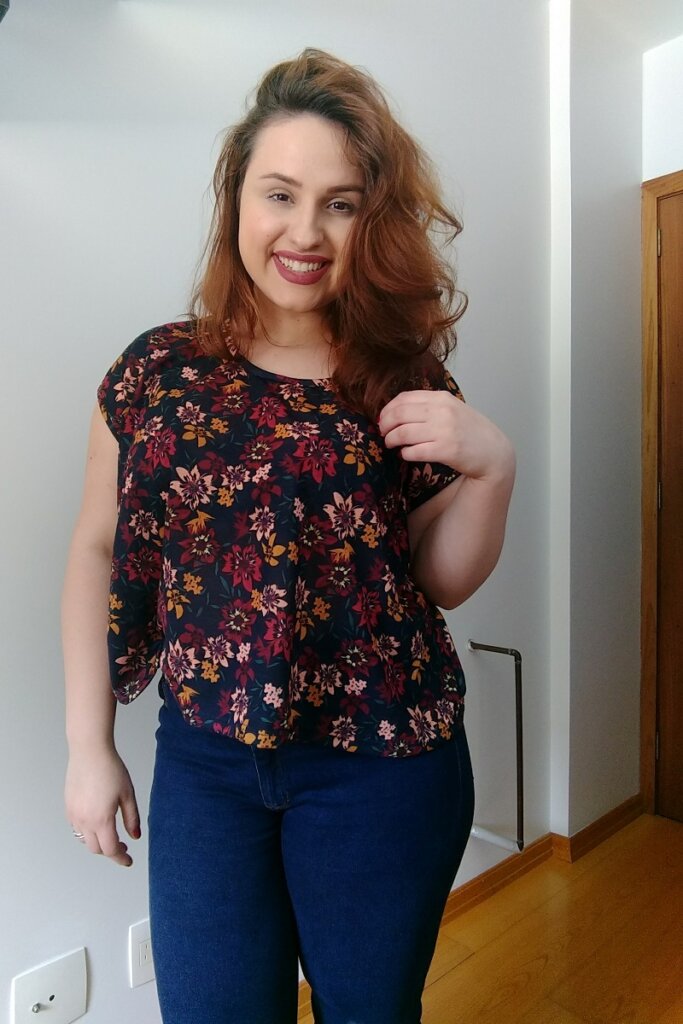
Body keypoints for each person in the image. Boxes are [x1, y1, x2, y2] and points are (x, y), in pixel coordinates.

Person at [62, 48, 515, 1024]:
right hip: (207, 761)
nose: (305, 232)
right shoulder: (155, 373)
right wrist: (87, 745)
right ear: (236, 196)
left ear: (370, 220)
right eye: (280, 194)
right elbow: (97, 549)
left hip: (380, 762)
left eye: (339, 204)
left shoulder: (402, 378)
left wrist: (491, 468)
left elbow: (436, 580)